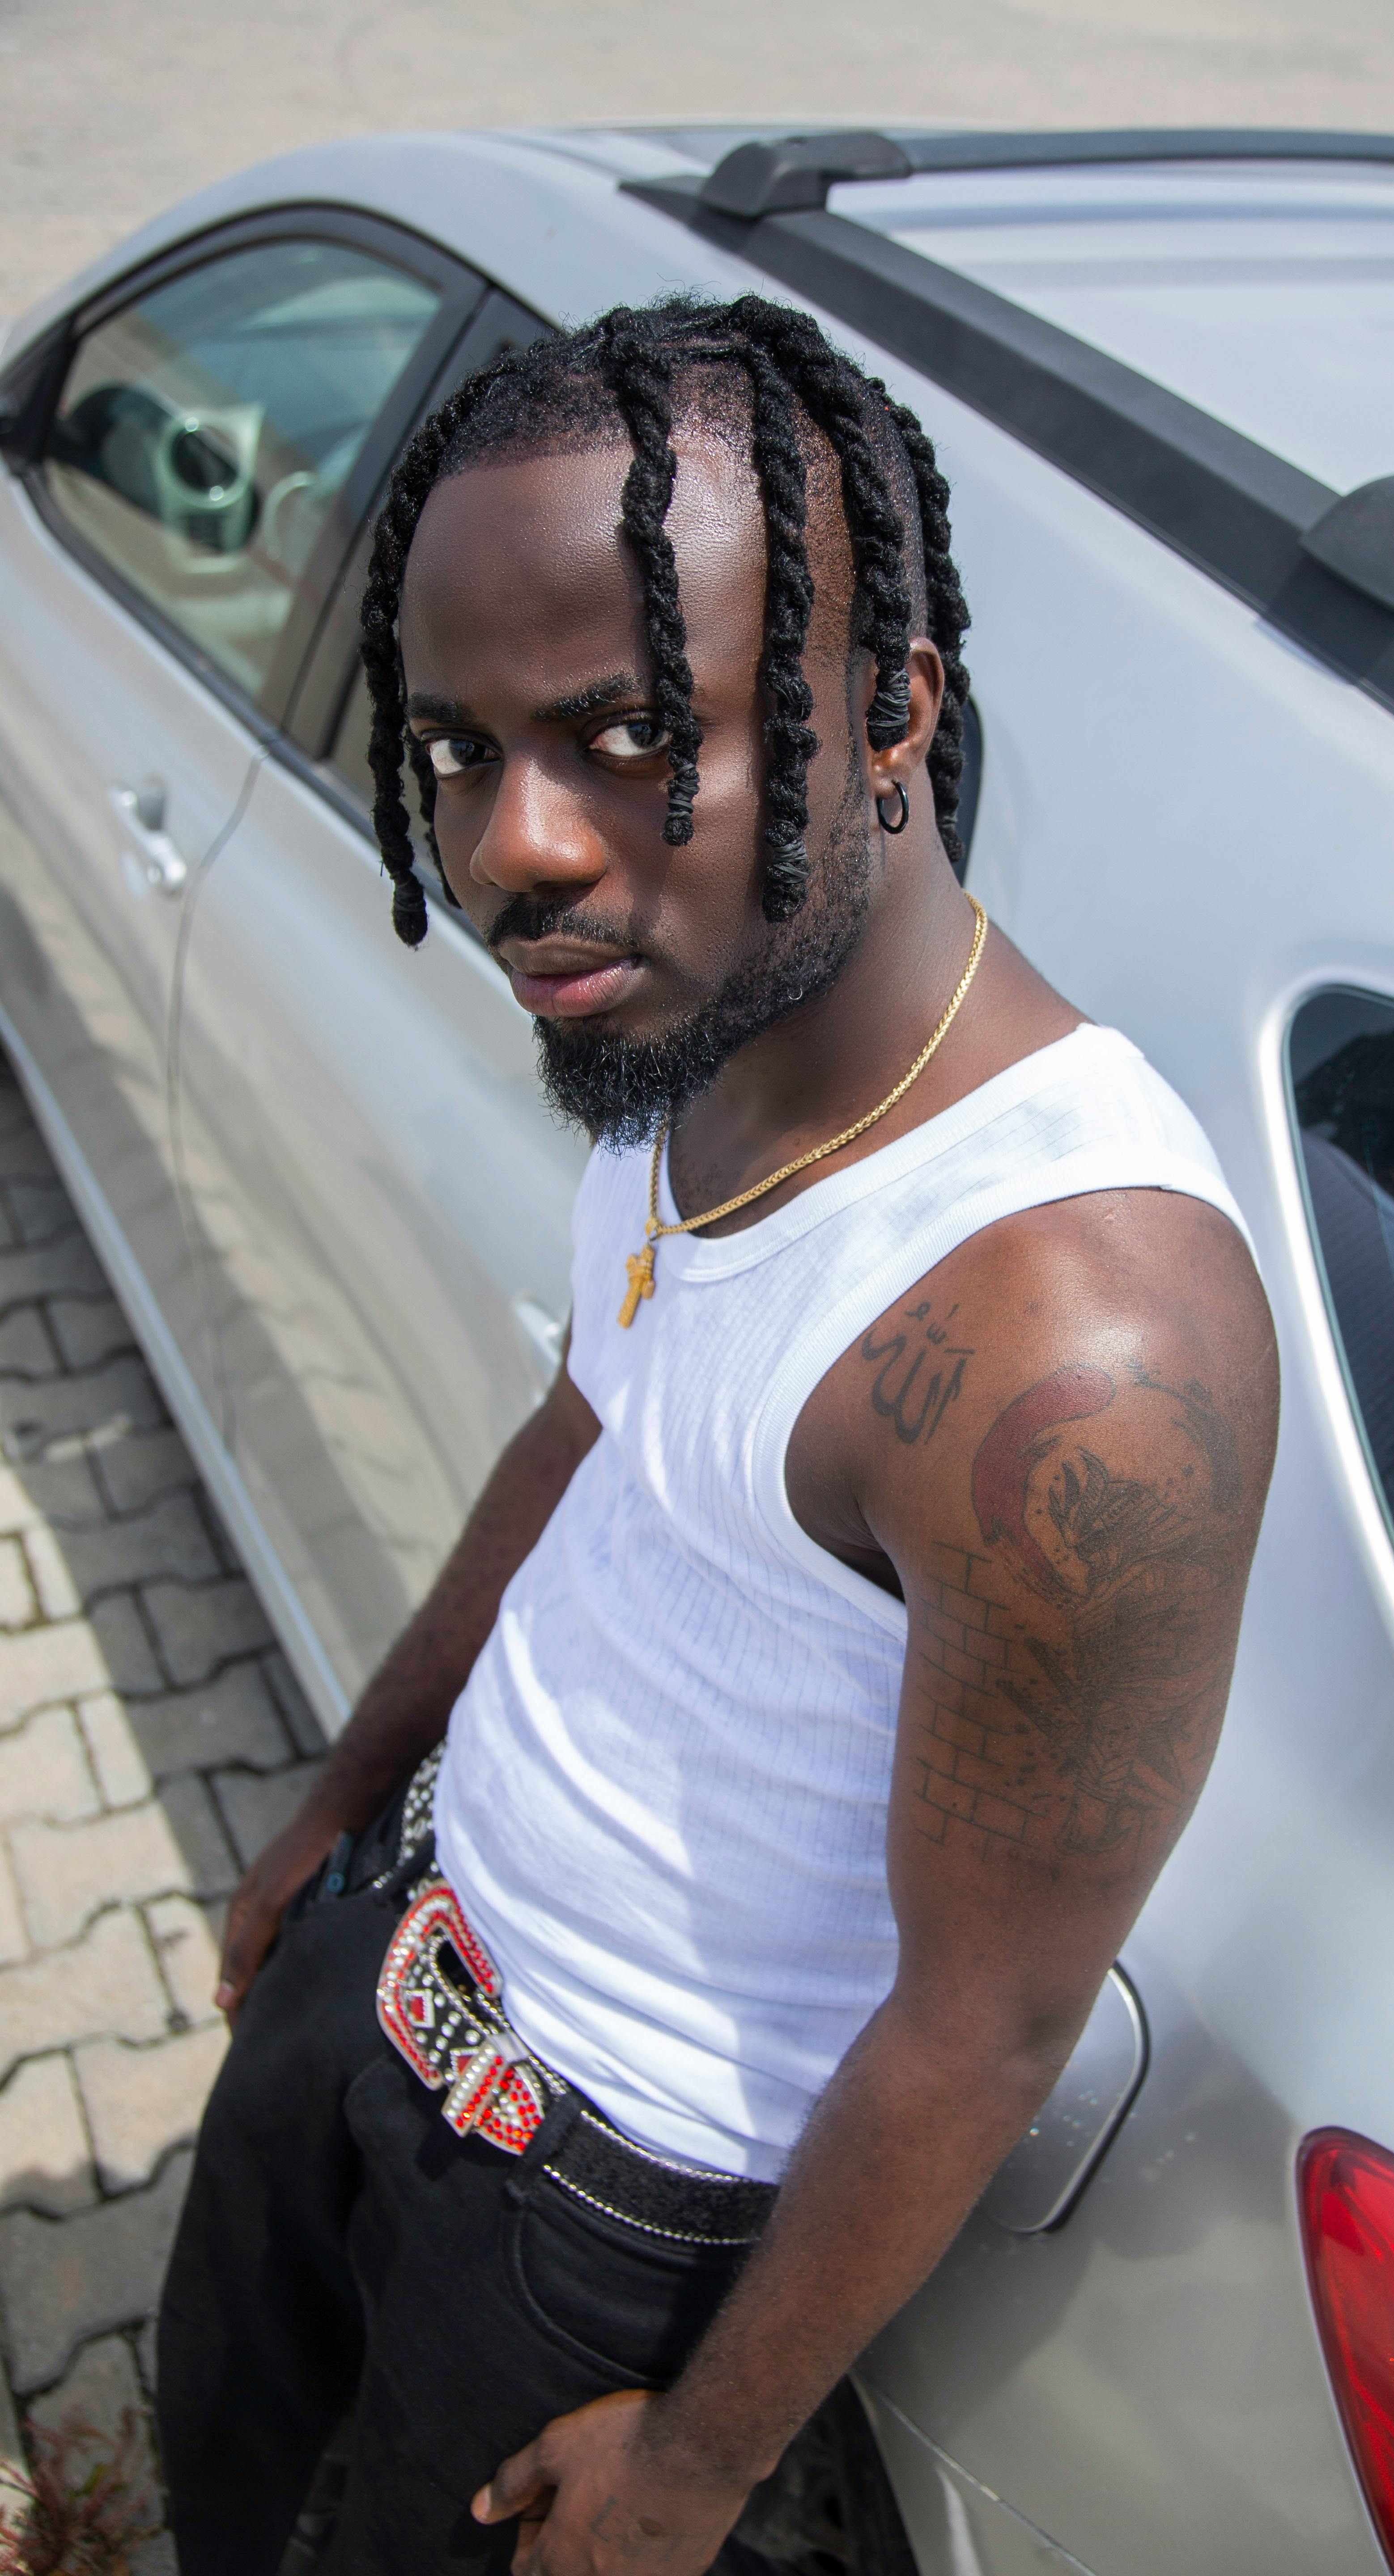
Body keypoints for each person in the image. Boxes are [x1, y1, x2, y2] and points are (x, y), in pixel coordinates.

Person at [157, 292, 1278, 2576]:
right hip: (396, 1944)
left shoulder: (1078, 1343)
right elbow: (595, 1427)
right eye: (459, 750)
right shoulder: (694, 1026)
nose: (515, 850)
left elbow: (988, 2021)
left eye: (627, 734)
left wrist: (689, 2468)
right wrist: (347, 1805)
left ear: (892, 722)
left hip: (596, 2214)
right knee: (217, 2451)